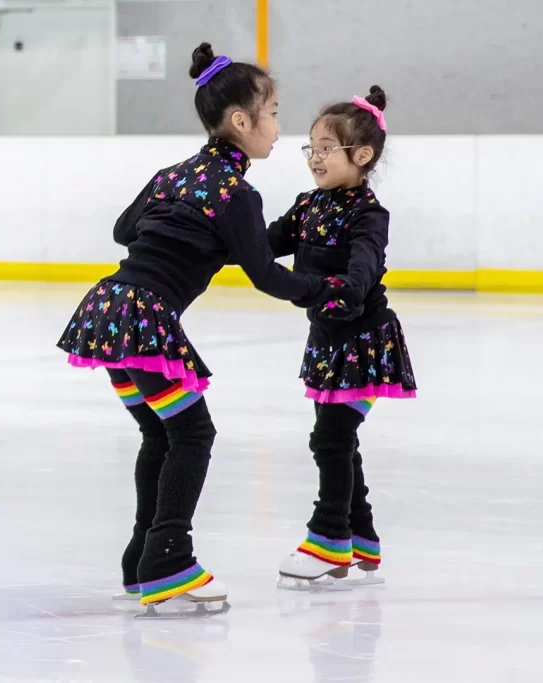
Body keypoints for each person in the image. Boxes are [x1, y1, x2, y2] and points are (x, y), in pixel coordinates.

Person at [56, 42, 335, 615]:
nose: (279, 126)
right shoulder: (234, 193)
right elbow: (264, 275)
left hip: (107, 312)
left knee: (161, 433)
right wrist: (325, 292)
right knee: (192, 435)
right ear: (240, 120)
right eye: (274, 111)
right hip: (144, 321)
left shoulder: (173, 176)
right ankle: (168, 561)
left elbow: (123, 229)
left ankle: (141, 561)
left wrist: (187, 236)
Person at [269, 86, 418, 590]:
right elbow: (263, 243)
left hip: (364, 344)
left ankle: (329, 540)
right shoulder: (308, 205)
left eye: (326, 148)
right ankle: (363, 535)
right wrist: (205, 234)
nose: (315, 156)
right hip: (327, 342)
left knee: (330, 439)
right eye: (311, 146)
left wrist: (348, 290)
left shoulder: (368, 214)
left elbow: (365, 262)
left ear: (363, 155)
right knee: (339, 439)